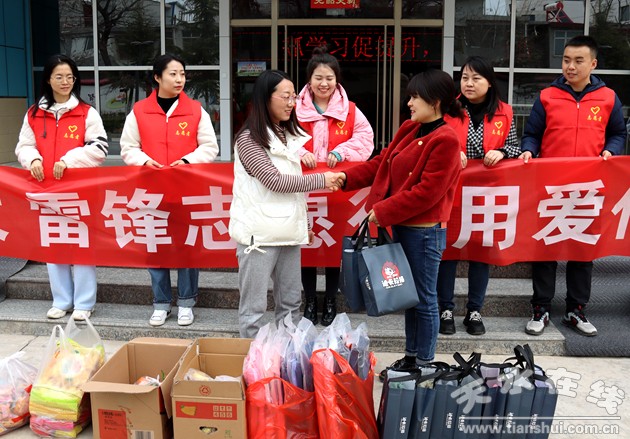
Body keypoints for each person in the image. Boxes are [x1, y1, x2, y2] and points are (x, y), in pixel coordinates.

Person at [337, 69, 462, 375]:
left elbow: (427, 192)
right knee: (410, 297)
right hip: (403, 227)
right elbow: (382, 163)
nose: (409, 103)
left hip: (425, 232)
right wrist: (345, 177)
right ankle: (411, 357)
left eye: (415, 97)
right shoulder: (410, 128)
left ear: (435, 101)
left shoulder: (446, 139)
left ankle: (424, 364)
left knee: (425, 299)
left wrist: (383, 211)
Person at [519, 35, 626, 337]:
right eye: (566, 60)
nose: (571, 66)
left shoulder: (608, 98)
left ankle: (575, 310)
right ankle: (540, 308)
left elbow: (618, 133)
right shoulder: (547, 96)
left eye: (579, 61)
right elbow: (532, 134)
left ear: (593, 64)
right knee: (545, 249)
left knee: (583, 250)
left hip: (589, 187)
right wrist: (528, 150)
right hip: (550, 187)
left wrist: (611, 151)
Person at [229, 69, 343, 339]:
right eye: (286, 96)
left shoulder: (286, 135)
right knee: (254, 310)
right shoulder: (248, 139)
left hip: (288, 233)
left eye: (294, 97)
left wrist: (304, 225)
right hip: (259, 236)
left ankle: (286, 356)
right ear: (265, 98)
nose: (292, 103)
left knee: (291, 305)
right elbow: (276, 182)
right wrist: (323, 180)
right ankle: (254, 360)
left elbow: (294, 190)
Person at [120, 53, 219, 327]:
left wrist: (186, 161)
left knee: (187, 247)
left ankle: (186, 301)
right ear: (157, 77)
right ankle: (161, 303)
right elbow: (128, 146)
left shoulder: (196, 110)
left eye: (182, 74)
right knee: (155, 246)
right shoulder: (139, 110)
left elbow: (210, 146)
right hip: (151, 191)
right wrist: (144, 161)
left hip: (187, 191)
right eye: (173, 74)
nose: (179, 79)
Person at [15, 54, 109, 321]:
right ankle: (61, 300)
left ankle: (84, 303)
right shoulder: (34, 113)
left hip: (80, 192)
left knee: (82, 246)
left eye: (70, 76)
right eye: (59, 76)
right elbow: (24, 145)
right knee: (53, 245)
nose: (65, 81)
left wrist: (68, 161)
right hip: (47, 191)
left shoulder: (86, 112)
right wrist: (33, 159)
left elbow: (99, 148)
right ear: (48, 79)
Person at [437, 56, 521, 336]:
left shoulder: (505, 112)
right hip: (451, 192)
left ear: (490, 82)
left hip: (486, 194)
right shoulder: (447, 109)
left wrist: (503, 152)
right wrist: (451, 151)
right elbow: (430, 141)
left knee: (481, 252)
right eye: (464, 78)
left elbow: (516, 147)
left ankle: (475, 310)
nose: (469, 84)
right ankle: (445, 309)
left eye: (476, 78)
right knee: (447, 251)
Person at [296, 46, 375, 327]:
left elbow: (365, 138)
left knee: (333, 245)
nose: (324, 83)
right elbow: (279, 138)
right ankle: (309, 300)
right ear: (309, 80)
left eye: (329, 78)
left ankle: (330, 299)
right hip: (302, 189)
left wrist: (342, 151)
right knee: (305, 245)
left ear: (337, 80)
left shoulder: (350, 110)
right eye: (318, 77)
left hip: (335, 190)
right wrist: (299, 152)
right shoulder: (294, 109)